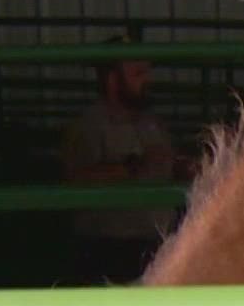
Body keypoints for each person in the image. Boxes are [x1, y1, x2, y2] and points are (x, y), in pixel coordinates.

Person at [61, 38, 176, 284]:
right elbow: (77, 177)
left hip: (157, 240)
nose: (147, 80)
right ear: (113, 80)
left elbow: (165, 164)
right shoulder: (90, 125)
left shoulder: (152, 123)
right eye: (137, 74)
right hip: (110, 244)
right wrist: (132, 167)